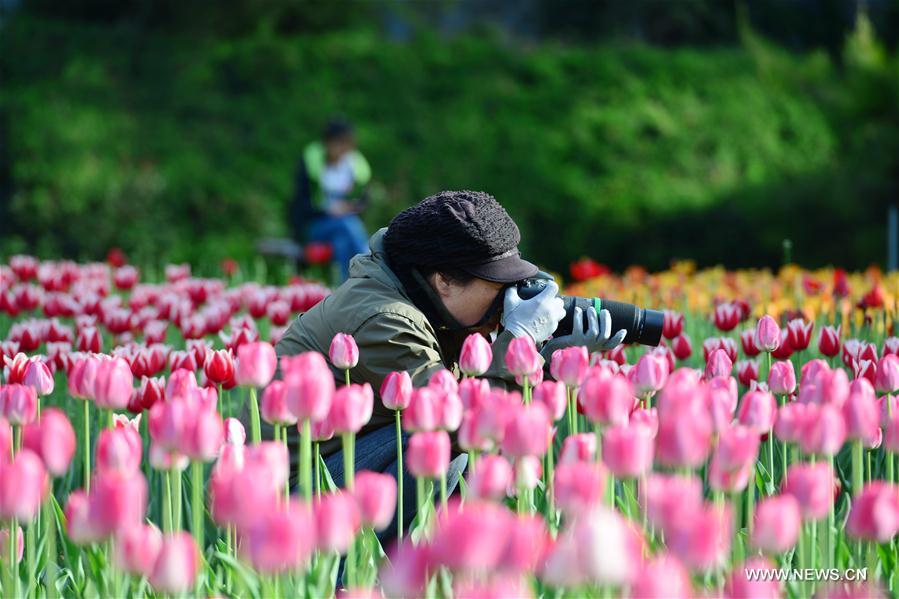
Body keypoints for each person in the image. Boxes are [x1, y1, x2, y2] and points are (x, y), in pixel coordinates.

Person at [273, 190, 626, 545]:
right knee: (436, 439)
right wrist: (520, 338)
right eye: (498, 285)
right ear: (443, 280)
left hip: (329, 478)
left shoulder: (421, 298)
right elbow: (464, 424)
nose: (507, 299)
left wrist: (546, 357)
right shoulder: (388, 321)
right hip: (288, 511)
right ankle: (360, 573)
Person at [291, 118, 372, 281]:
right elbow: (299, 205)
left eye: (347, 144)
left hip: (344, 229)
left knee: (341, 242)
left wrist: (352, 206)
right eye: (339, 143)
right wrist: (327, 210)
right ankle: (369, 267)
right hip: (315, 226)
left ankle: (342, 289)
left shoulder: (353, 166)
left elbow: (364, 201)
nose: (343, 149)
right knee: (346, 223)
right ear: (327, 143)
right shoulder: (312, 163)